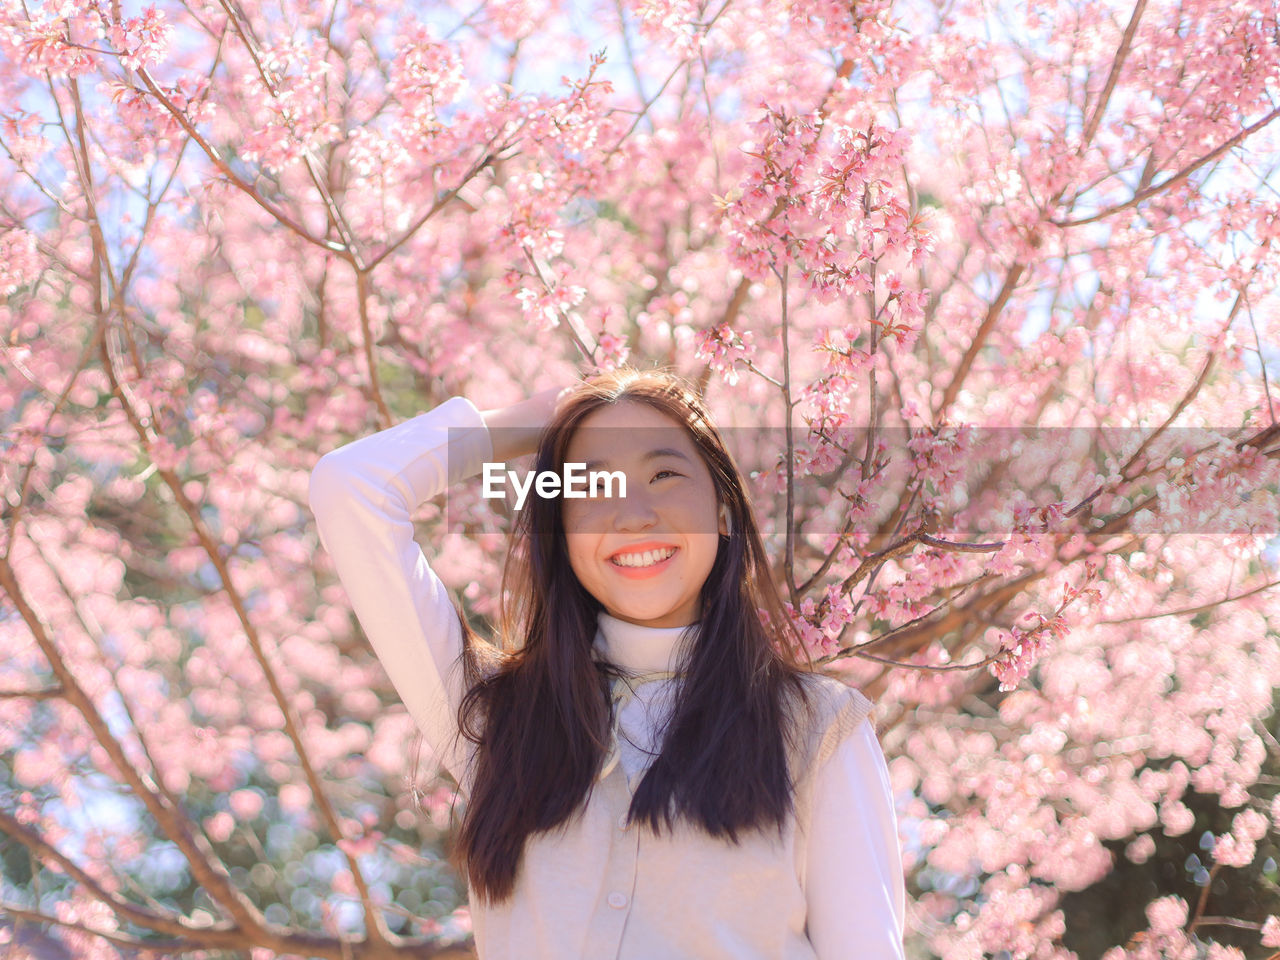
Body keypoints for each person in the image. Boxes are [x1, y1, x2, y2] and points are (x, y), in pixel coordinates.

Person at [308, 365, 906, 959]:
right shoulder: (495, 722)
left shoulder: (815, 725)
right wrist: (526, 423)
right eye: (591, 486)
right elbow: (352, 487)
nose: (632, 514)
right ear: (560, 528)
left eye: (665, 473)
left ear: (724, 511)